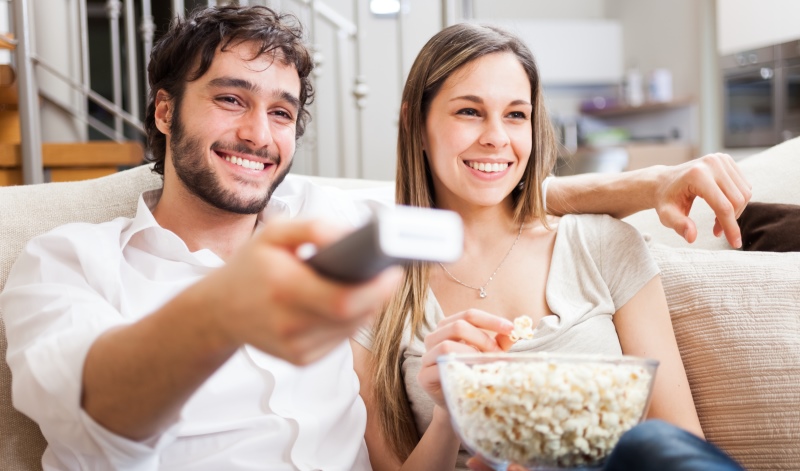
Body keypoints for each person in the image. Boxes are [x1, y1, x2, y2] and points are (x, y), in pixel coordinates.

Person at [0, 6, 748, 471]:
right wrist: (228, 305)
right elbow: (97, 412)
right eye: (230, 100)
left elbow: (480, 190)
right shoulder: (67, 261)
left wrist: (647, 187)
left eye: (283, 112)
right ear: (164, 112)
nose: (258, 134)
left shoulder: (334, 226)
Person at [350, 23, 746, 471]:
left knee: (649, 443)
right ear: (415, 124)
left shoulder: (603, 245)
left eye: (516, 115)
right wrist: (451, 413)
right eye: (469, 112)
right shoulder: (377, 285)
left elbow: (678, 443)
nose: (497, 137)